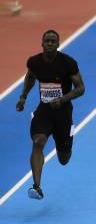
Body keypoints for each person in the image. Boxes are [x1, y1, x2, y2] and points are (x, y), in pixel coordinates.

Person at [16, 30, 86, 200]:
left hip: (63, 113)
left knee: (63, 158)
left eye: (53, 41)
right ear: (41, 43)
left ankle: (67, 144)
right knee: (38, 141)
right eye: (46, 41)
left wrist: (63, 100)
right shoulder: (34, 62)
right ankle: (36, 187)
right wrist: (23, 97)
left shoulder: (68, 63)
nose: (49, 43)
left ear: (58, 44)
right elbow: (31, 77)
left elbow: (81, 88)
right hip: (45, 111)